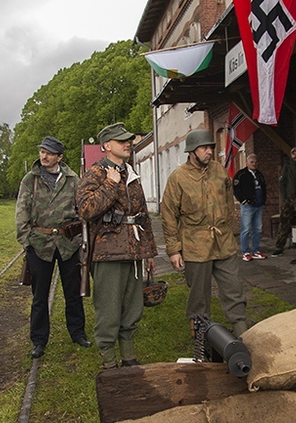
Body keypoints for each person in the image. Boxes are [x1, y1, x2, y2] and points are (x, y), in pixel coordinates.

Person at [76, 123, 157, 369]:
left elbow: (142, 214)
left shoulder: (131, 172)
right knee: (109, 310)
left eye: (129, 140)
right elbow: (86, 210)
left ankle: (129, 356)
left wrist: (149, 252)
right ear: (107, 146)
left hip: (133, 251)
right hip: (108, 253)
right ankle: (109, 360)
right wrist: (110, 185)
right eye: (121, 141)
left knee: (132, 307)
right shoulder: (96, 174)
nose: (128, 144)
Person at [161, 129, 248, 337]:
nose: (209, 151)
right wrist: (174, 250)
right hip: (195, 245)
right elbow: (169, 214)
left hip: (223, 242)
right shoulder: (178, 177)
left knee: (234, 289)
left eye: (211, 147)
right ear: (192, 151)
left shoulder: (219, 171)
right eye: (204, 148)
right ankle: (201, 338)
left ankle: (242, 334)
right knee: (199, 296)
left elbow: (228, 199)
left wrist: (226, 225)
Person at [16, 136, 91, 360]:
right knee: (39, 296)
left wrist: (80, 238)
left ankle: (77, 333)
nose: (44, 156)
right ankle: (38, 340)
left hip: (68, 244)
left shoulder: (72, 179)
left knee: (73, 292)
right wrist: (26, 240)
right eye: (42, 152)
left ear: (59, 157)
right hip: (40, 243)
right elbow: (22, 210)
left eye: (49, 153)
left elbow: (81, 208)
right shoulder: (31, 179)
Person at [233, 154, 267, 261]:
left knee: (257, 229)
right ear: (247, 163)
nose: (254, 164)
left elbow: (264, 187)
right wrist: (243, 200)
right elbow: (236, 188)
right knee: (246, 229)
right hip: (248, 206)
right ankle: (245, 251)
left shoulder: (259, 174)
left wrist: (263, 200)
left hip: (258, 205)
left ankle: (255, 250)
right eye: (252, 162)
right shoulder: (241, 174)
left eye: (256, 162)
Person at [274, 147, 296, 256]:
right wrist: (285, 198)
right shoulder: (287, 166)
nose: (295, 156)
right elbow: (282, 183)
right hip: (289, 200)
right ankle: (279, 246)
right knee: (284, 223)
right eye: (293, 154)